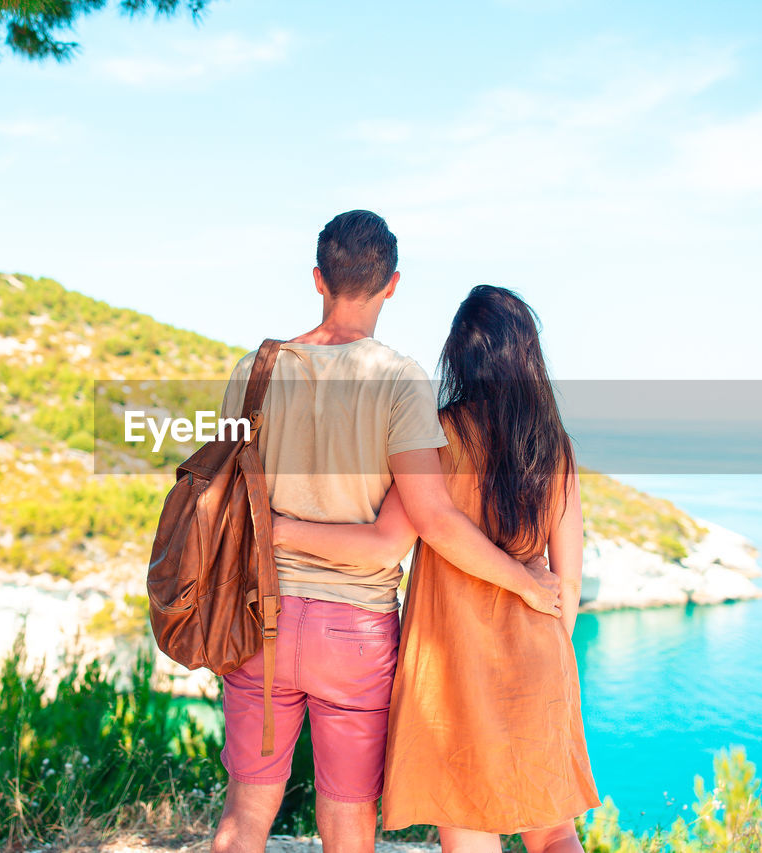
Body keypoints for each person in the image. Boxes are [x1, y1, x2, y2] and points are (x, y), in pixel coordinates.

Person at [212, 215, 563, 853]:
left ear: (318, 277)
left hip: (260, 614)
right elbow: (400, 536)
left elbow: (233, 499)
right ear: (392, 285)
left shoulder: (253, 371)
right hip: (354, 630)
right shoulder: (401, 381)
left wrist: (277, 532)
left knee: (243, 820)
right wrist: (526, 583)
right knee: (348, 825)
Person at [274, 285, 601, 853]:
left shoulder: (439, 436)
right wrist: (539, 654)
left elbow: (397, 536)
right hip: (540, 657)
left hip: (453, 668)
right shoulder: (557, 449)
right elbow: (567, 579)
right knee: (554, 834)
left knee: (467, 826)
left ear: (459, 355)